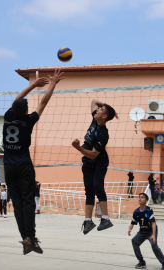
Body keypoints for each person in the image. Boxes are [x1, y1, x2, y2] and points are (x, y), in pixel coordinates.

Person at [3, 69, 64, 255]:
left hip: (8, 166)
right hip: (23, 166)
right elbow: (43, 102)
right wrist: (52, 84)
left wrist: (32, 86)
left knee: (18, 203)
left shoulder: (8, 118)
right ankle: (30, 236)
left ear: (13, 109)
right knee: (28, 202)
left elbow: (18, 99)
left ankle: (26, 238)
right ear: (26, 111)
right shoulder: (28, 121)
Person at [72, 98, 118, 235]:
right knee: (89, 189)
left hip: (99, 160)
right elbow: (93, 101)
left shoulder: (104, 134)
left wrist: (78, 147)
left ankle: (105, 219)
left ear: (104, 116)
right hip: (87, 160)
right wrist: (108, 109)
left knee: (98, 186)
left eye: (101, 110)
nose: (97, 109)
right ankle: (88, 221)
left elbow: (93, 154)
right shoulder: (94, 119)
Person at [129, 193, 164, 270]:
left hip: (151, 231)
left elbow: (153, 224)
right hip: (142, 231)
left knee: (154, 245)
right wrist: (130, 229)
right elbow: (132, 222)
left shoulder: (149, 210)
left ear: (146, 200)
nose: (140, 199)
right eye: (139, 197)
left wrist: (153, 235)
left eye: (142, 197)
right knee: (134, 241)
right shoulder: (136, 212)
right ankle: (141, 261)